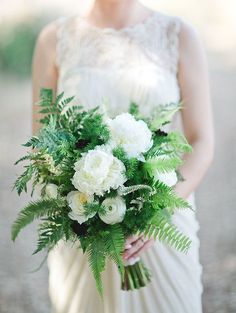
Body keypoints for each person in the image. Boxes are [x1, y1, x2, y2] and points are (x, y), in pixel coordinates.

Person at [32, 0, 214, 312]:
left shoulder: (179, 35)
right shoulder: (53, 39)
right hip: (83, 224)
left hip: (162, 225)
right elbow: (42, 143)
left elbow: (202, 140)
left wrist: (158, 209)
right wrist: (76, 192)